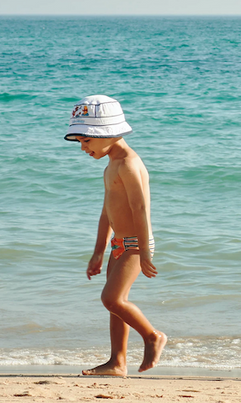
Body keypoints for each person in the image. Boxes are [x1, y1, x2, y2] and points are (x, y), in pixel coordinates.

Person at [65, 95, 167, 376]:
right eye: (80, 142)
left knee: (112, 299)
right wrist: (98, 251)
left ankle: (152, 336)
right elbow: (106, 212)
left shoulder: (128, 165)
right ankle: (117, 362)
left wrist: (144, 250)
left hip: (135, 244)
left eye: (86, 140)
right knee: (115, 307)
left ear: (108, 134)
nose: (83, 147)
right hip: (118, 244)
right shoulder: (111, 165)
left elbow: (140, 208)